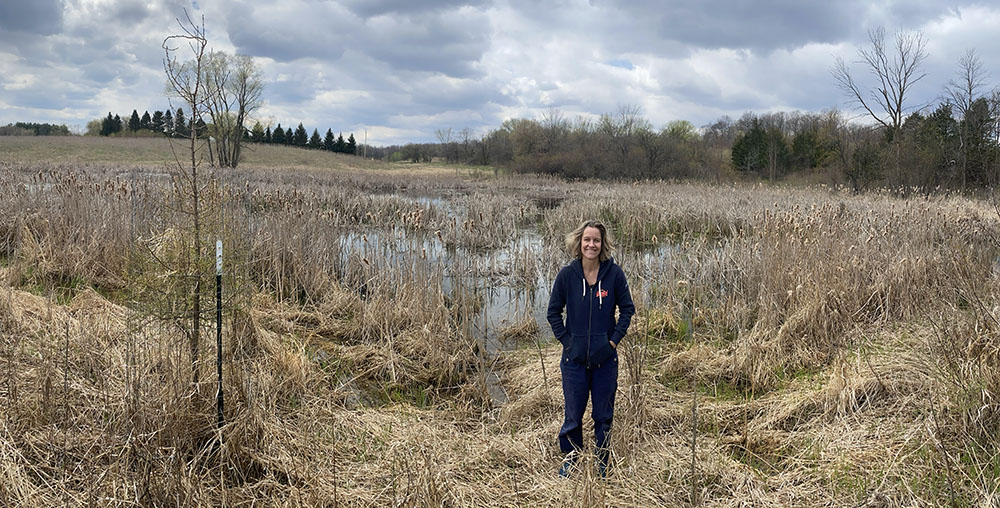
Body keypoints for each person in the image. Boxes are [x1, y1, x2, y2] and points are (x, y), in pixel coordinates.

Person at [547, 220, 635, 478]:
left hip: (605, 360)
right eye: (587, 240)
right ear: (579, 242)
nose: (591, 245)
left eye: (596, 240)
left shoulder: (614, 275)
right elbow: (553, 312)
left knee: (603, 415)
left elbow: (627, 309)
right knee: (573, 414)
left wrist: (613, 341)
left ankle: (603, 459)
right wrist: (567, 342)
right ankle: (572, 458)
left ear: (602, 244)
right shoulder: (567, 275)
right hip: (573, 360)